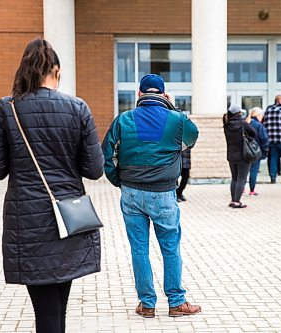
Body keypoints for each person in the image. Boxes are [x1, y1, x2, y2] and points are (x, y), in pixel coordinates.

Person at [0, 38, 105, 333]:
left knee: (47, 314)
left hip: (27, 224)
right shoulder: (77, 108)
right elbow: (95, 169)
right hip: (69, 221)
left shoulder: (6, 108)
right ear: (57, 70)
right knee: (56, 311)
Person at [102, 74, 201, 318]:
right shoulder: (177, 119)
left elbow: (107, 156)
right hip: (164, 192)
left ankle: (147, 304)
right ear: (164, 95)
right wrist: (173, 108)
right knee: (170, 248)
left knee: (139, 250)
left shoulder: (123, 119)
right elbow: (191, 138)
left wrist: (121, 182)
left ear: (139, 94)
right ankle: (176, 302)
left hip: (131, 192)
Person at [223, 105, 257, 208]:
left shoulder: (226, 124)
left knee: (234, 178)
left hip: (231, 155)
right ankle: (237, 202)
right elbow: (254, 133)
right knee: (241, 179)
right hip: (243, 155)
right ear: (238, 113)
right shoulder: (243, 123)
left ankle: (233, 200)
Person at [263, 95, 281, 184]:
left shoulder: (268, 111)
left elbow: (265, 125)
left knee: (273, 158)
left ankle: (273, 178)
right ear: (279, 101)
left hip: (272, 140)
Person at [245, 107, 269, 195]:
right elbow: (264, 139)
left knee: (244, 171)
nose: (262, 117)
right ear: (257, 115)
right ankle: (252, 190)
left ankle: (242, 188)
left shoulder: (245, 123)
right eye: (261, 115)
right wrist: (265, 150)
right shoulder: (259, 126)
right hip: (255, 151)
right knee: (254, 170)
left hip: (245, 151)